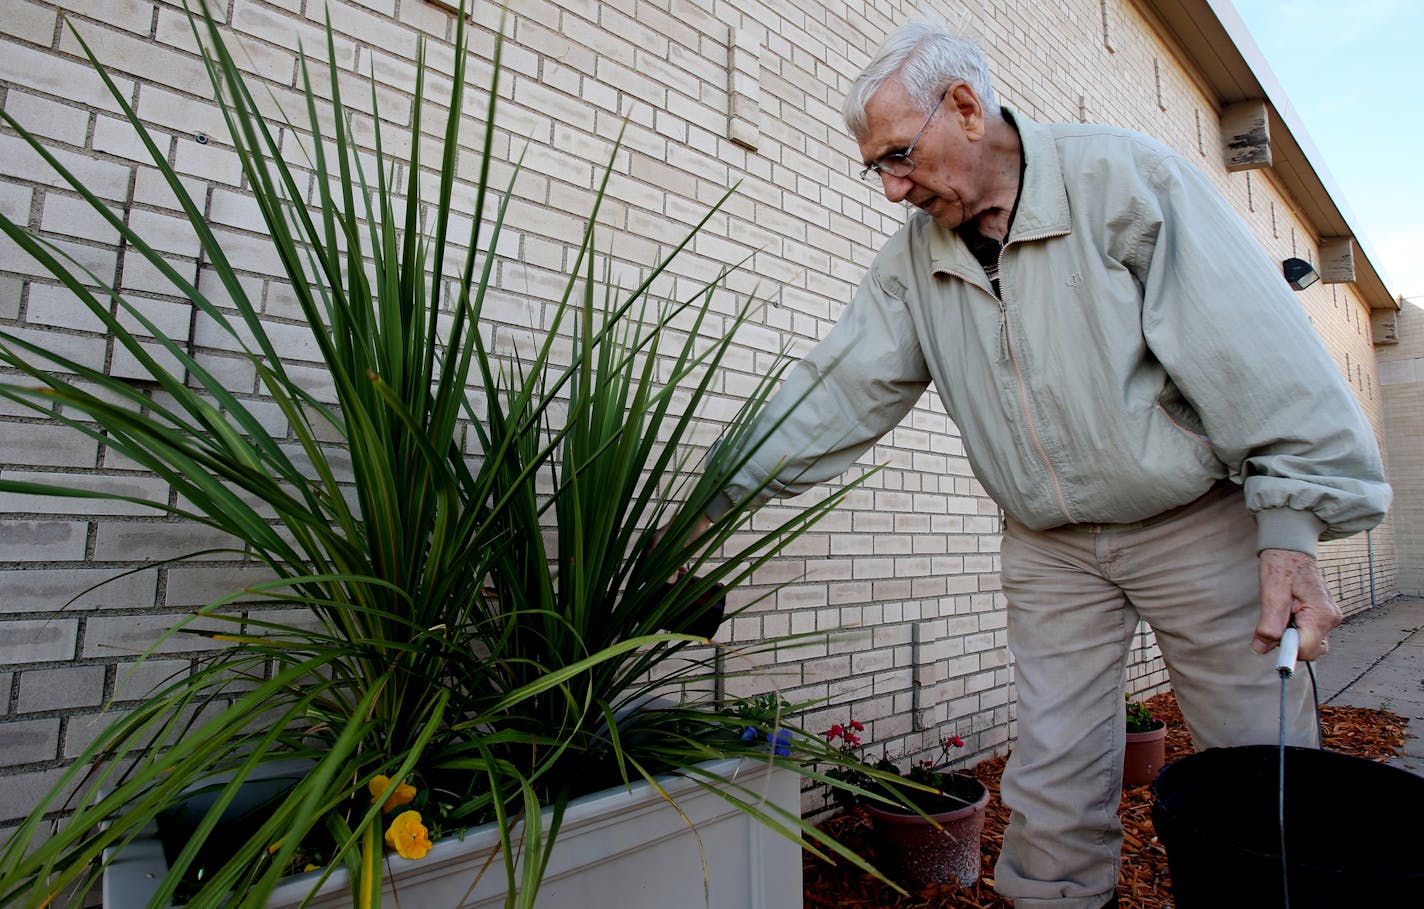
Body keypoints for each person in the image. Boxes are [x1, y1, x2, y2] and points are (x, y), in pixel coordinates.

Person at [680, 17, 1392, 909]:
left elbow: (1254, 355)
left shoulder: (1123, 182)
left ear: (967, 107)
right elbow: (836, 391)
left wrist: (1288, 532)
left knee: (1259, 762)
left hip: (1196, 524)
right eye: (878, 168)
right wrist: (714, 496)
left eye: (899, 156)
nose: (893, 188)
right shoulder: (914, 264)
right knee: (1053, 779)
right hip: (1052, 551)